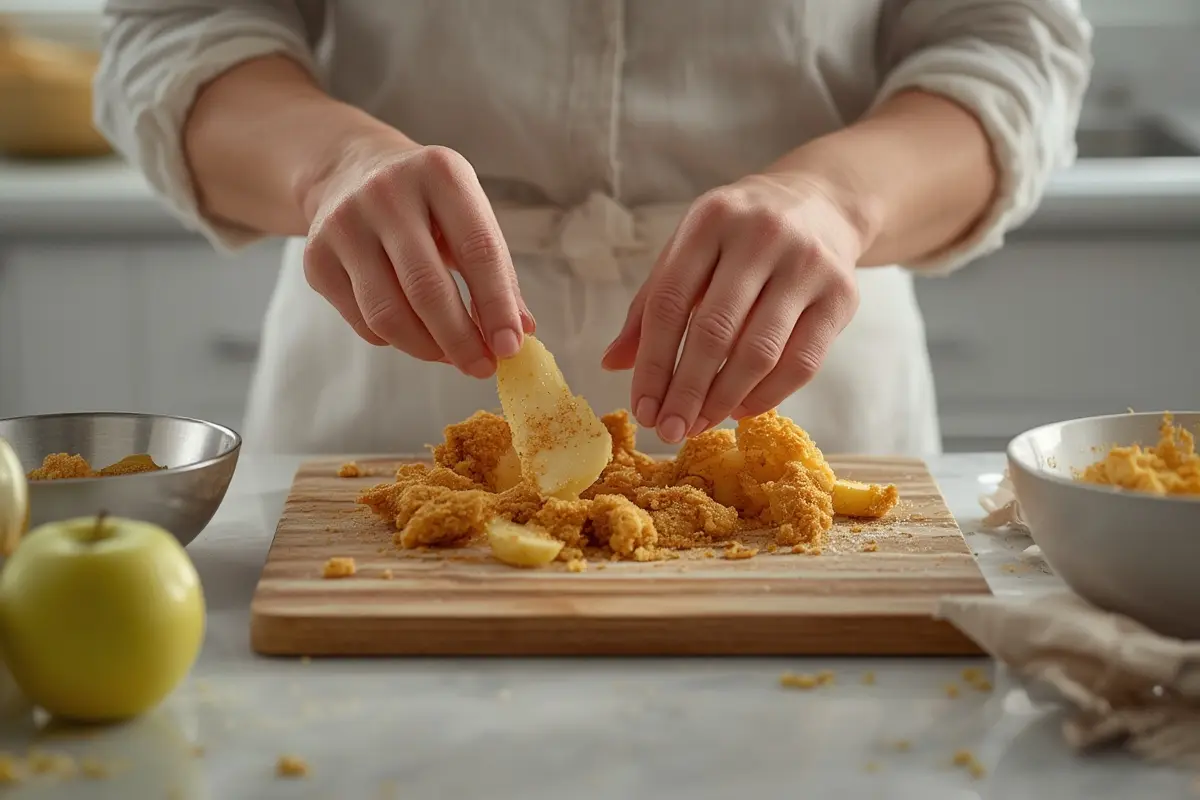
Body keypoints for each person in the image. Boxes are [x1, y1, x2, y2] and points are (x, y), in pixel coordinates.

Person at [94, 1, 1092, 456]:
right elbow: (176, 25)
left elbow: (1009, 45)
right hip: (381, 399)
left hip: (809, 399)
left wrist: (836, 198)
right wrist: (327, 163)